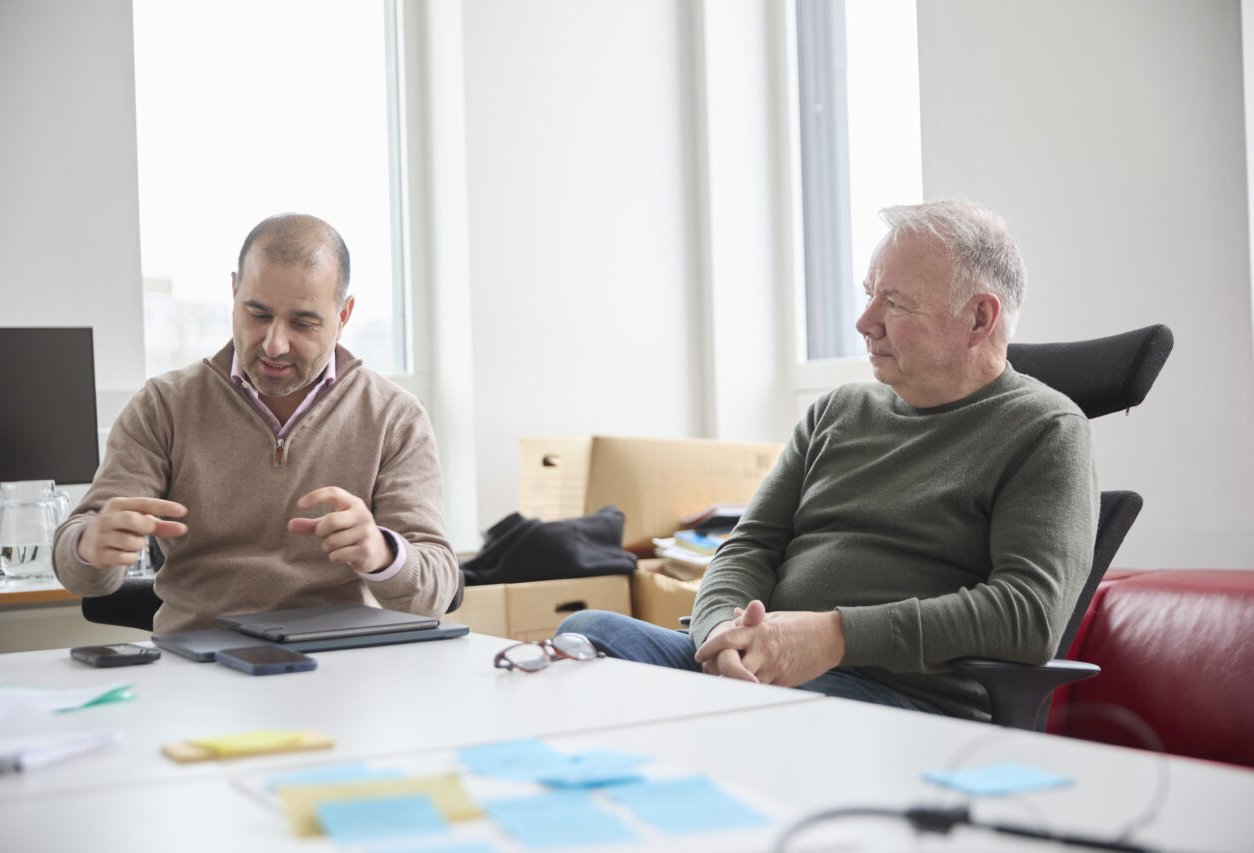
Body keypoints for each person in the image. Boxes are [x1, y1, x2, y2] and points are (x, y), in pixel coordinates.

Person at [557, 200, 1098, 721]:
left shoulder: (1044, 429)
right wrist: (721, 635)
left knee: (755, 714)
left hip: (895, 696)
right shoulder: (838, 411)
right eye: (868, 295)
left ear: (979, 318)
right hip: (759, 670)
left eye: (895, 302)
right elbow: (750, 545)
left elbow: (1029, 615)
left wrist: (832, 637)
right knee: (587, 635)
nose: (865, 321)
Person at [54, 213, 460, 633]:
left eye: (303, 322)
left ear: (344, 316)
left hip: (344, 666)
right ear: (233, 292)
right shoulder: (164, 407)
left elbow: (438, 590)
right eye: (258, 314)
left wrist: (383, 554)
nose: (274, 344)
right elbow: (80, 572)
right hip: (198, 668)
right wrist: (90, 547)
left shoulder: (394, 417)